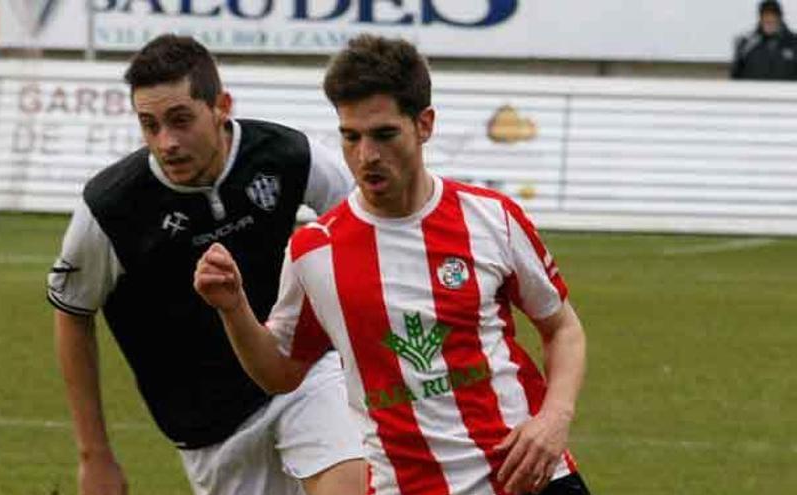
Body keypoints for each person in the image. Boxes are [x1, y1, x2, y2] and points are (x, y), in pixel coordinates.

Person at [194, 34, 591, 495]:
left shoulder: (491, 218)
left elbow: (562, 328)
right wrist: (233, 307)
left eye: (384, 134)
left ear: (424, 124)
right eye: (351, 136)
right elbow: (280, 373)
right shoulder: (314, 250)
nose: (366, 156)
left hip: (527, 476)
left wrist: (554, 419)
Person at [46, 34, 364, 495]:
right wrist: (94, 456)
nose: (166, 142)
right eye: (149, 125)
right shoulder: (112, 208)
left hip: (301, 377)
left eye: (180, 121)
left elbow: (362, 227)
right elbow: (73, 314)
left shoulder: (287, 155)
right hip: (209, 429)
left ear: (221, 106)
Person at [731, 0, 797, 80]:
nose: (769, 19)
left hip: (787, 92)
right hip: (753, 91)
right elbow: (735, 76)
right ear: (760, 18)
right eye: (765, 15)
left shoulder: (793, 43)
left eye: (773, 16)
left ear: (780, 18)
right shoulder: (746, 44)